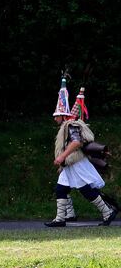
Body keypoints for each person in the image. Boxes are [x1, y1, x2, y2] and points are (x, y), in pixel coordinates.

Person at [45, 79, 116, 226]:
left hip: (76, 163)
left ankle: (107, 212)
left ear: (63, 115)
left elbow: (76, 142)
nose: (54, 118)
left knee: (86, 190)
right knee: (61, 189)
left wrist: (62, 157)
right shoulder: (67, 125)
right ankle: (60, 219)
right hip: (70, 164)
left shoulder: (70, 125)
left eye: (57, 115)